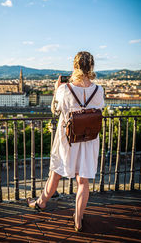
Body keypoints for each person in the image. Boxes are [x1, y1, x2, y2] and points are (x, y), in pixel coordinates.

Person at [27, 51, 104, 232]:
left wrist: (56, 89)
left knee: (56, 172)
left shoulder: (65, 89)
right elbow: (97, 110)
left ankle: (41, 203)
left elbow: (55, 110)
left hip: (68, 139)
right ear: (91, 67)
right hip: (88, 138)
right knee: (83, 181)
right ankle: (78, 219)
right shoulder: (99, 90)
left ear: (75, 66)